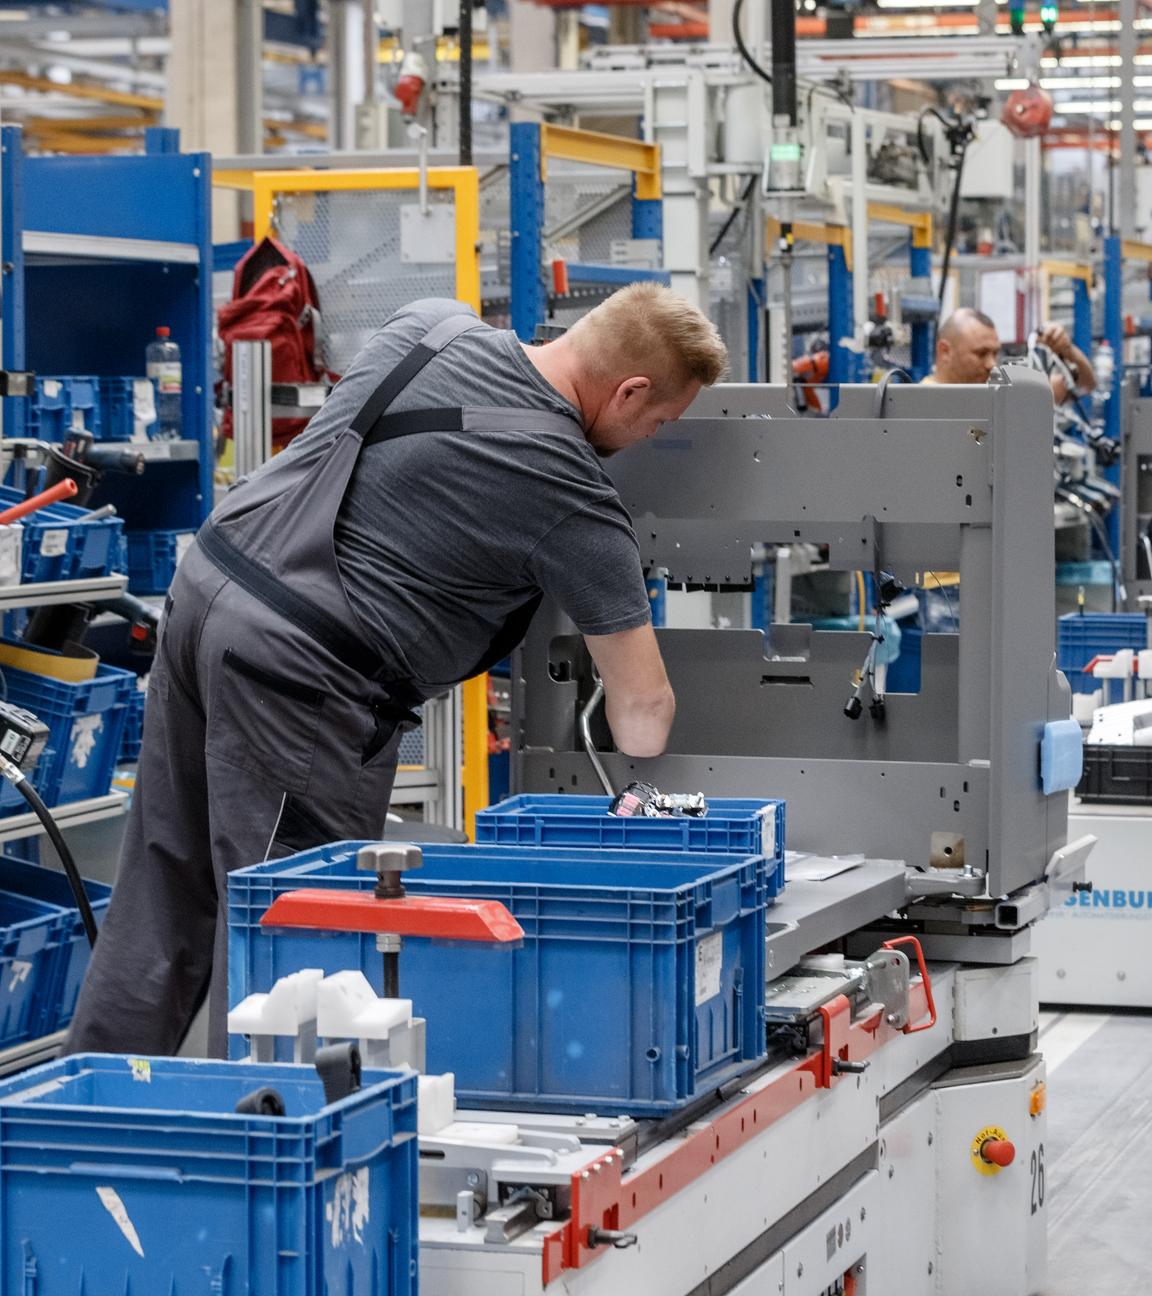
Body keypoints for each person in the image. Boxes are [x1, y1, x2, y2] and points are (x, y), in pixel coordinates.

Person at [66, 286, 729, 1058]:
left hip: (205, 592)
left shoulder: (430, 323)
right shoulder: (572, 495)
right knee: (291, 945)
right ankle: (261, 1151)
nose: (650, 438)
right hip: (298, 679)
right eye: (658, 422)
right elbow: (642, 715)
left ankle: (79, 1129)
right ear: (631, 389)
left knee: (163, 889)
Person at [922, 306, 1096, 403]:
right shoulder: (920, 404)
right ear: (945, 351)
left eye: (995, 353)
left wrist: (1067, 350)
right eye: (981, 353)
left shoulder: (1002, 397)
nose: (991, 364)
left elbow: (1084, 383)